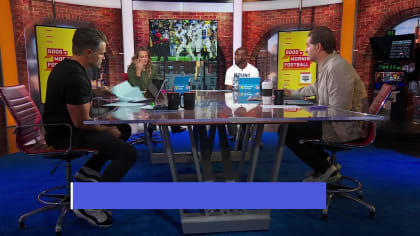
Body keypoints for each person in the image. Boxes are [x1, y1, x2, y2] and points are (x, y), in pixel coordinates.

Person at [43, 28, 137, 227]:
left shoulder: (68, 67)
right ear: (88, 52)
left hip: (61, 127)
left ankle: (89, 171)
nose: (103, 57)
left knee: (124, 129)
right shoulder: (76, 77)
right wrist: (107, 128)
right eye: (102, 53)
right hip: (66, 134)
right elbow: (82, 122)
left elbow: (75, 96)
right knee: (127, 154)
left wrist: (97, 91)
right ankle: (90, 205)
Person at [284, 26, 367, 183]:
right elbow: (314, 88)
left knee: (287, 130)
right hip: (333, 122)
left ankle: (325, 169)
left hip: (343, 127)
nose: (305, 49)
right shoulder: (328, 65)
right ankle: (325, 166)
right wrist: (292, 92)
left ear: (318, 46)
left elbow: (338, 110)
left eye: (308, 45)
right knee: (290, 128)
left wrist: (308, 112)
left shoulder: (336, 67)